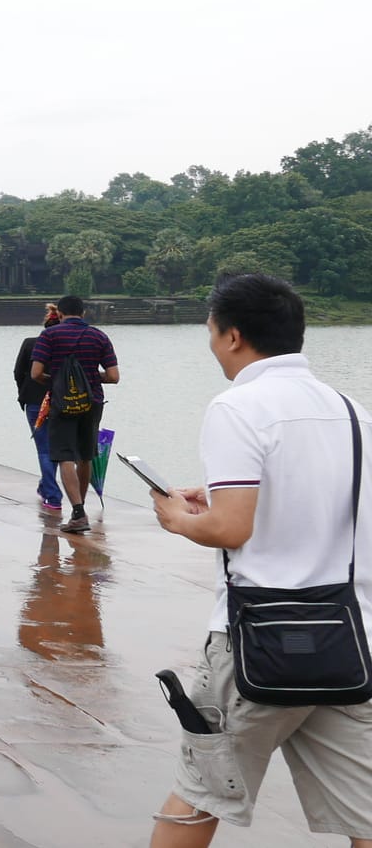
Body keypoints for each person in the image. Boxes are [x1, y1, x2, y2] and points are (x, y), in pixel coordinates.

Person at [148, 274, 372, 847]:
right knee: (366, 814)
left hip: (259, 642)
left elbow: (231, 528)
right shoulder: (352, 410)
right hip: (350, 638)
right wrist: (217, 496)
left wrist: (178, 518)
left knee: (198, 799)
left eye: (211, 330)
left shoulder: (237, 406)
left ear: (233, 336)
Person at [30, 295, 120, 535]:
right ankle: (79, 512)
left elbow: (36, 373)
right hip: (92, 402)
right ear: (84, 313)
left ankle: (78, 512)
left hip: (62, 403)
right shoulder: (99, 336)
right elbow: (113, 376)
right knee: (86, 456)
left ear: (59, 313)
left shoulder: (49, 336)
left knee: (64, 456)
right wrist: (89, 377)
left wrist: (59, 381)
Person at [13, 306, 66, 512]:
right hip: (64, 402)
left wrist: (24, 392)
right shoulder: (67, 346)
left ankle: (52, 495)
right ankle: (47, 486)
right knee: (56, 448)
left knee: (44, 449)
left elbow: (18, 372)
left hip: (35, 402)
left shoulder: (30, 343)